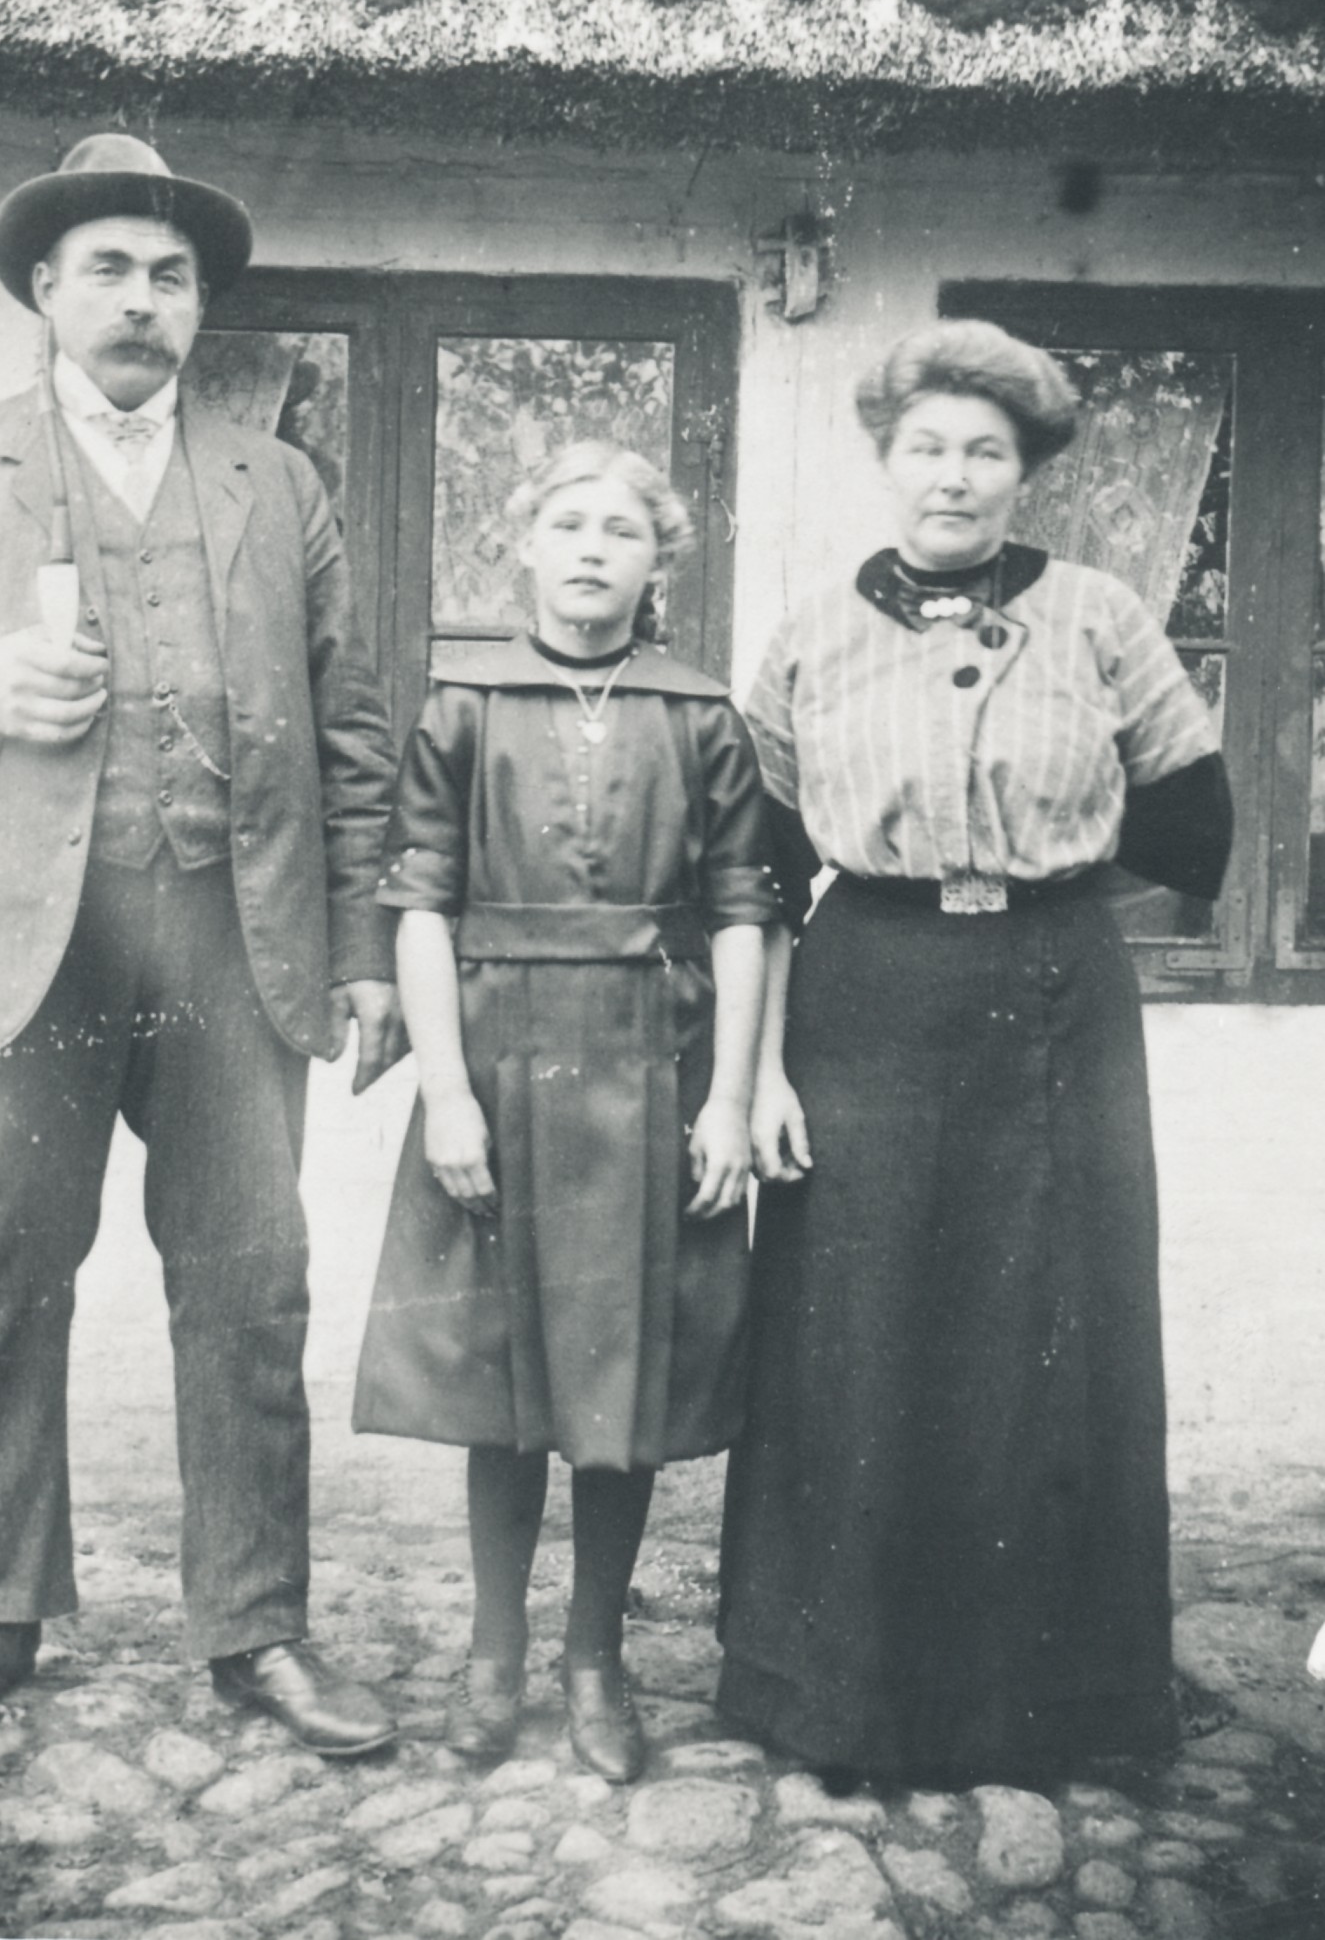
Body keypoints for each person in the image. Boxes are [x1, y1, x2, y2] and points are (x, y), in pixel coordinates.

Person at [0, 135, 406, 1754]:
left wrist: (361, 947)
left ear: (199, 309)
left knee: (250, 1283)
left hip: (233, 938)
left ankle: (257, 1628)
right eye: (110, 268)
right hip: (19, 947)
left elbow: (348, 730)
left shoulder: (280, 484)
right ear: (46, 291)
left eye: (170, 275)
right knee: (8, 1276)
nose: (141, 298)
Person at [716, 319, 1234, 1789]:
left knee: (1053, 1331)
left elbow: (1193, 826)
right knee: (860, 1331)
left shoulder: (1099, 617)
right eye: (927, 447)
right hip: (865, 995)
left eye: (984, 451)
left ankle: (1056, 1697)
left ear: (1025, 471)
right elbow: (755, 870)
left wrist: (1033, 876)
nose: (952, 476)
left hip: (1055, 995)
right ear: (887, 461)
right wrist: (761, 1069)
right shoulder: (811, 634)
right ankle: (840, 1695)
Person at [352, 442, 778, 1781]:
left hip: (653, 1068)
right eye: (570, 525)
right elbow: (419, 905)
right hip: (496, 1067)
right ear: (525, 546)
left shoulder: (700, 715)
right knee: (502, 1378)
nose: (594, 549)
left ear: (660, 563)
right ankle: (494, 1653)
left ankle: (595, 1656)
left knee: (620, 1378)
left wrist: (727, 1099)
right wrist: (444, 1093)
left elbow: (743, 913)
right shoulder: (463, 706)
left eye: (623, 531)